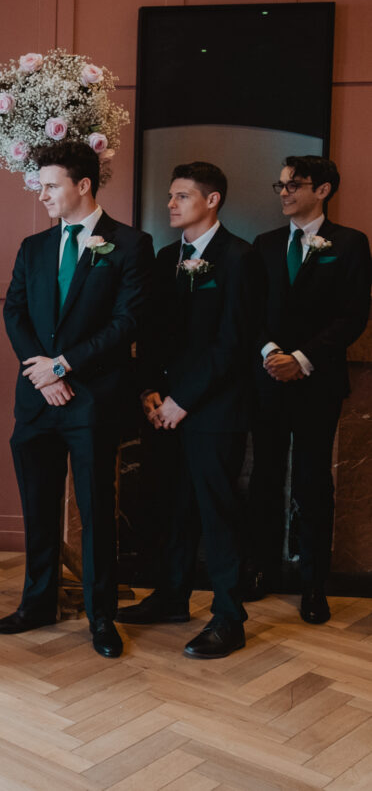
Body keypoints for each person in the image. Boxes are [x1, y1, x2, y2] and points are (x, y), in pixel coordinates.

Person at [0, 141, 153, 659]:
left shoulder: (131, 245)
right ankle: (37, 602)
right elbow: (14, 314)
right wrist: (43, 376)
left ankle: (101, 616)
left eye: (51, 185)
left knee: (95, 511)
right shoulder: (32, 247)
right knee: (37, 509)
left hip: (93, 400)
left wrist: (65, 366)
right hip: (37, 401)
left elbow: (128, 322)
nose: (41, 194)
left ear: (82, 186)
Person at [119, 162, 264, 659]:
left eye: (182, 196)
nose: (171, 204)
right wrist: (149, 393)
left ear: (213, 200)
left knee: (216, 510)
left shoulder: (241, 258)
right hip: (165, 407)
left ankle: (229, 617)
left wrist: (186, 401)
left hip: (214, 410)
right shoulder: (164, 259)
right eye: (170, 196)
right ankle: (173, 596)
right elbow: (151, 335)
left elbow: (233, 343)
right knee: (172, 506)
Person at [245, 156, 370, 622]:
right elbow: (250, 310)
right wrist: (272, 353)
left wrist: (302, 359)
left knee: (314, 483)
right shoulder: (265, 244)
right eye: (279, 185)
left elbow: (353, 315)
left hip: (318, 381)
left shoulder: (351, 243)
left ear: (323, 190)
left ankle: (314, 583)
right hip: (268, 378)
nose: (283, 193)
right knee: (265, 478)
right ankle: (260, 570)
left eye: (294, 185)